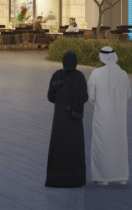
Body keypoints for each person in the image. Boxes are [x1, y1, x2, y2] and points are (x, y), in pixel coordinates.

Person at [87, 47, 131, 185]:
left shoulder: (96, 73)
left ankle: (102, 178)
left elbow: (90, 95)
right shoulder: (123, 74)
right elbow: (128, 94)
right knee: (119, 145)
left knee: (101, 145)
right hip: (119, 117)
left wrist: (100, 105)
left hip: (102, 117)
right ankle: (121, 176)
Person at [45, 50, 88, 188]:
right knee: (75, 148)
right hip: (75, 120)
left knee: (59, 147)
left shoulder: (57, 75)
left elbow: (50, 97)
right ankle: (75, 179)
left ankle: (57, 179)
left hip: (60, 120)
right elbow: (85, 97)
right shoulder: (80, 77)